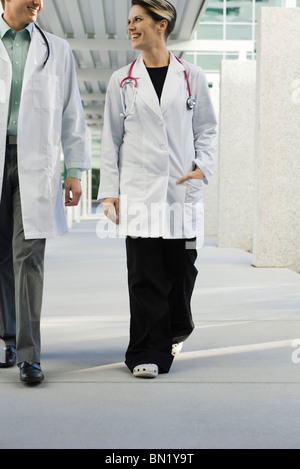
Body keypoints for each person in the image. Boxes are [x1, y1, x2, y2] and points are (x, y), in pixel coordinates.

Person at [98, 0, 217, 378]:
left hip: (181, 192)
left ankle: (175, 329)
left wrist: (202, 168)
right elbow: (110, 140)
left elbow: (207, 129)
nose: (131, 27)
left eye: (138, 20)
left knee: (182, 270)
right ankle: (146, 352)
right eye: (130, 21)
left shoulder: (191, 76)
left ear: (161, 25)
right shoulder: (122, 79)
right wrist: (111, 192)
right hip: (140, 192)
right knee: (145, 273)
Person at [0, 0, 91, 384]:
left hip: (36, 161)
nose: (38, 2)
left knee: (29, 254)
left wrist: (76, 169)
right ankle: (7, 337)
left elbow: (72, 111)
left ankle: (29, 354)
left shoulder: (58, 48)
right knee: (3, 254)